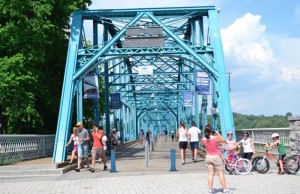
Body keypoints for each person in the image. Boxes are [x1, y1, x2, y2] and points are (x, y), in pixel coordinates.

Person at [201, 124, 230, 194]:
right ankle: (225, 189)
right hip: (216, 157)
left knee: (210, 174)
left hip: (208, 157)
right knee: (220, 173)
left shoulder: (203, 139)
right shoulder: (215, 138)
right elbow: (224, 141)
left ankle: (210, 190)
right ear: (211, 131)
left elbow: (205, 145)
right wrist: (217, 133)